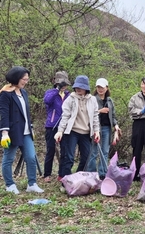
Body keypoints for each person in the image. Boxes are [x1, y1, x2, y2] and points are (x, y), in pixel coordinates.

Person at [0, 66, 44, 194]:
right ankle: (10, 184)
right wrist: (4, 133)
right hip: (12, 132)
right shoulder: (5, 94)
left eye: (27, 79)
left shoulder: (23, 92)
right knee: (9, 158)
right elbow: (4, 114)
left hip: (26, 132)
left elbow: (26, 113)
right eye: (24, 79)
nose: (26, 81)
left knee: (31, 157)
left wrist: (31, 128)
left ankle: (32, 183)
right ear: (16, 78)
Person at [54, 75, 100, 176]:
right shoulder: (70, 99)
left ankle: (78, 179)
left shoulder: (92, 99)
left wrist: (97, 131)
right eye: (77, 87)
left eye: (81, 87)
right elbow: (65, 115)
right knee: (69, 157)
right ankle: (66, 181)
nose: (78, 89)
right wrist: (60, 131)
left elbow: (95, 116)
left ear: (86, 88)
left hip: (86, 133)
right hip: (72, 132)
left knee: (86, 157)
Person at [86, 78, 121, 180]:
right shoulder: (92, 99)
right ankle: (91, 173)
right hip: (96, 129)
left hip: (107, 128)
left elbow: (113, 116)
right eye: (98, 87)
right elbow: (88, 114)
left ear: (107, 88)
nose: (100, 89)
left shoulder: (110, 101)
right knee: (94, 151)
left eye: (102, 87)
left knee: (105, 152)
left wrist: (116, 125)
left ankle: (102, 173)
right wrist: (100, 111)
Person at [43, 71, 71, 182]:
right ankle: (47, 174)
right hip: (52, 125)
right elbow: (47, 101)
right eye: (62, 83)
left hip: (64, 127)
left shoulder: (69, 95)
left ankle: (61, 174)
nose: (64, 86)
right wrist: (57, 90)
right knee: (51, 150)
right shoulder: (50, 93)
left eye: (65, 84)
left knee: (65, 150)